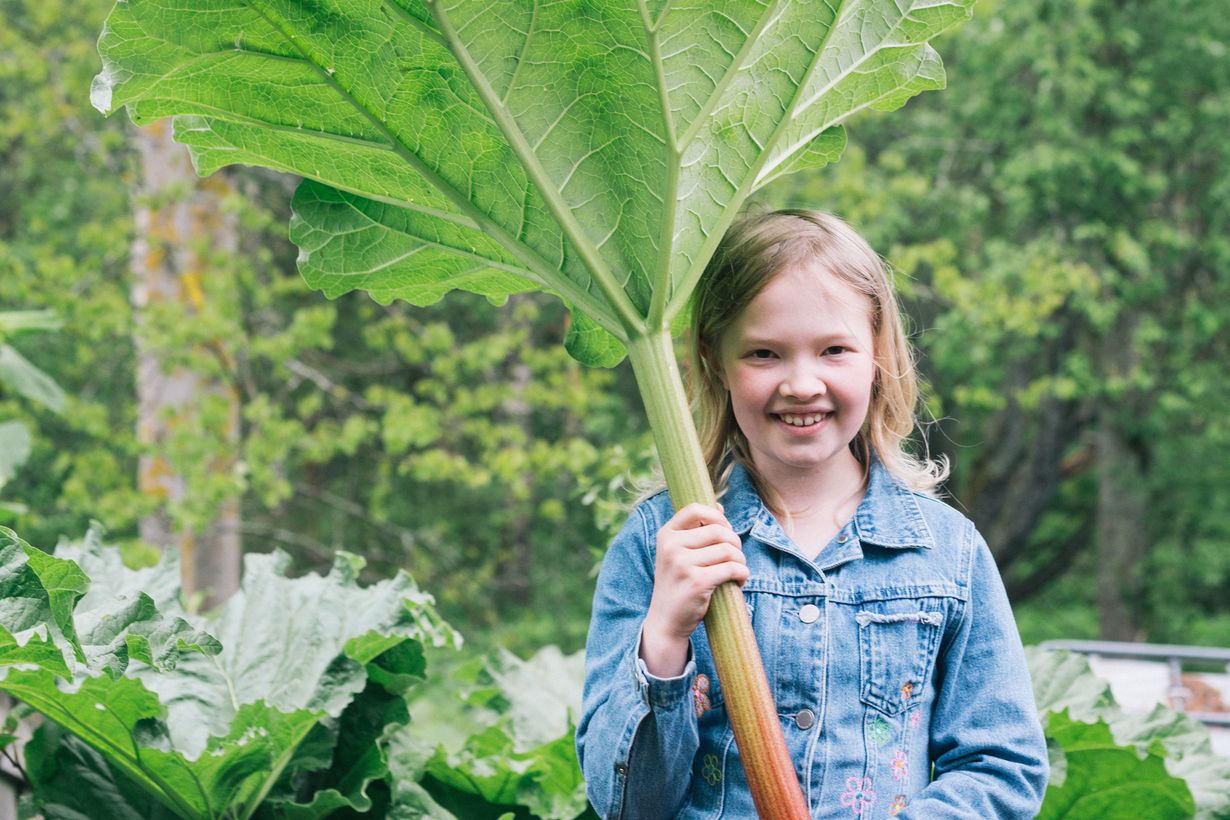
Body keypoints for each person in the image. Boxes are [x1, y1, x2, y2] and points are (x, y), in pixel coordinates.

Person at [576, 209, 1048, 818]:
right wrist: (664, 637)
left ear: (877, 355)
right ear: (713, 360)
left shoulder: (947, 553)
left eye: (833, 350)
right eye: (765, 354)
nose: (802, 383)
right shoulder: (658, 543)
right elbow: (626, 803)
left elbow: (1000, 769)